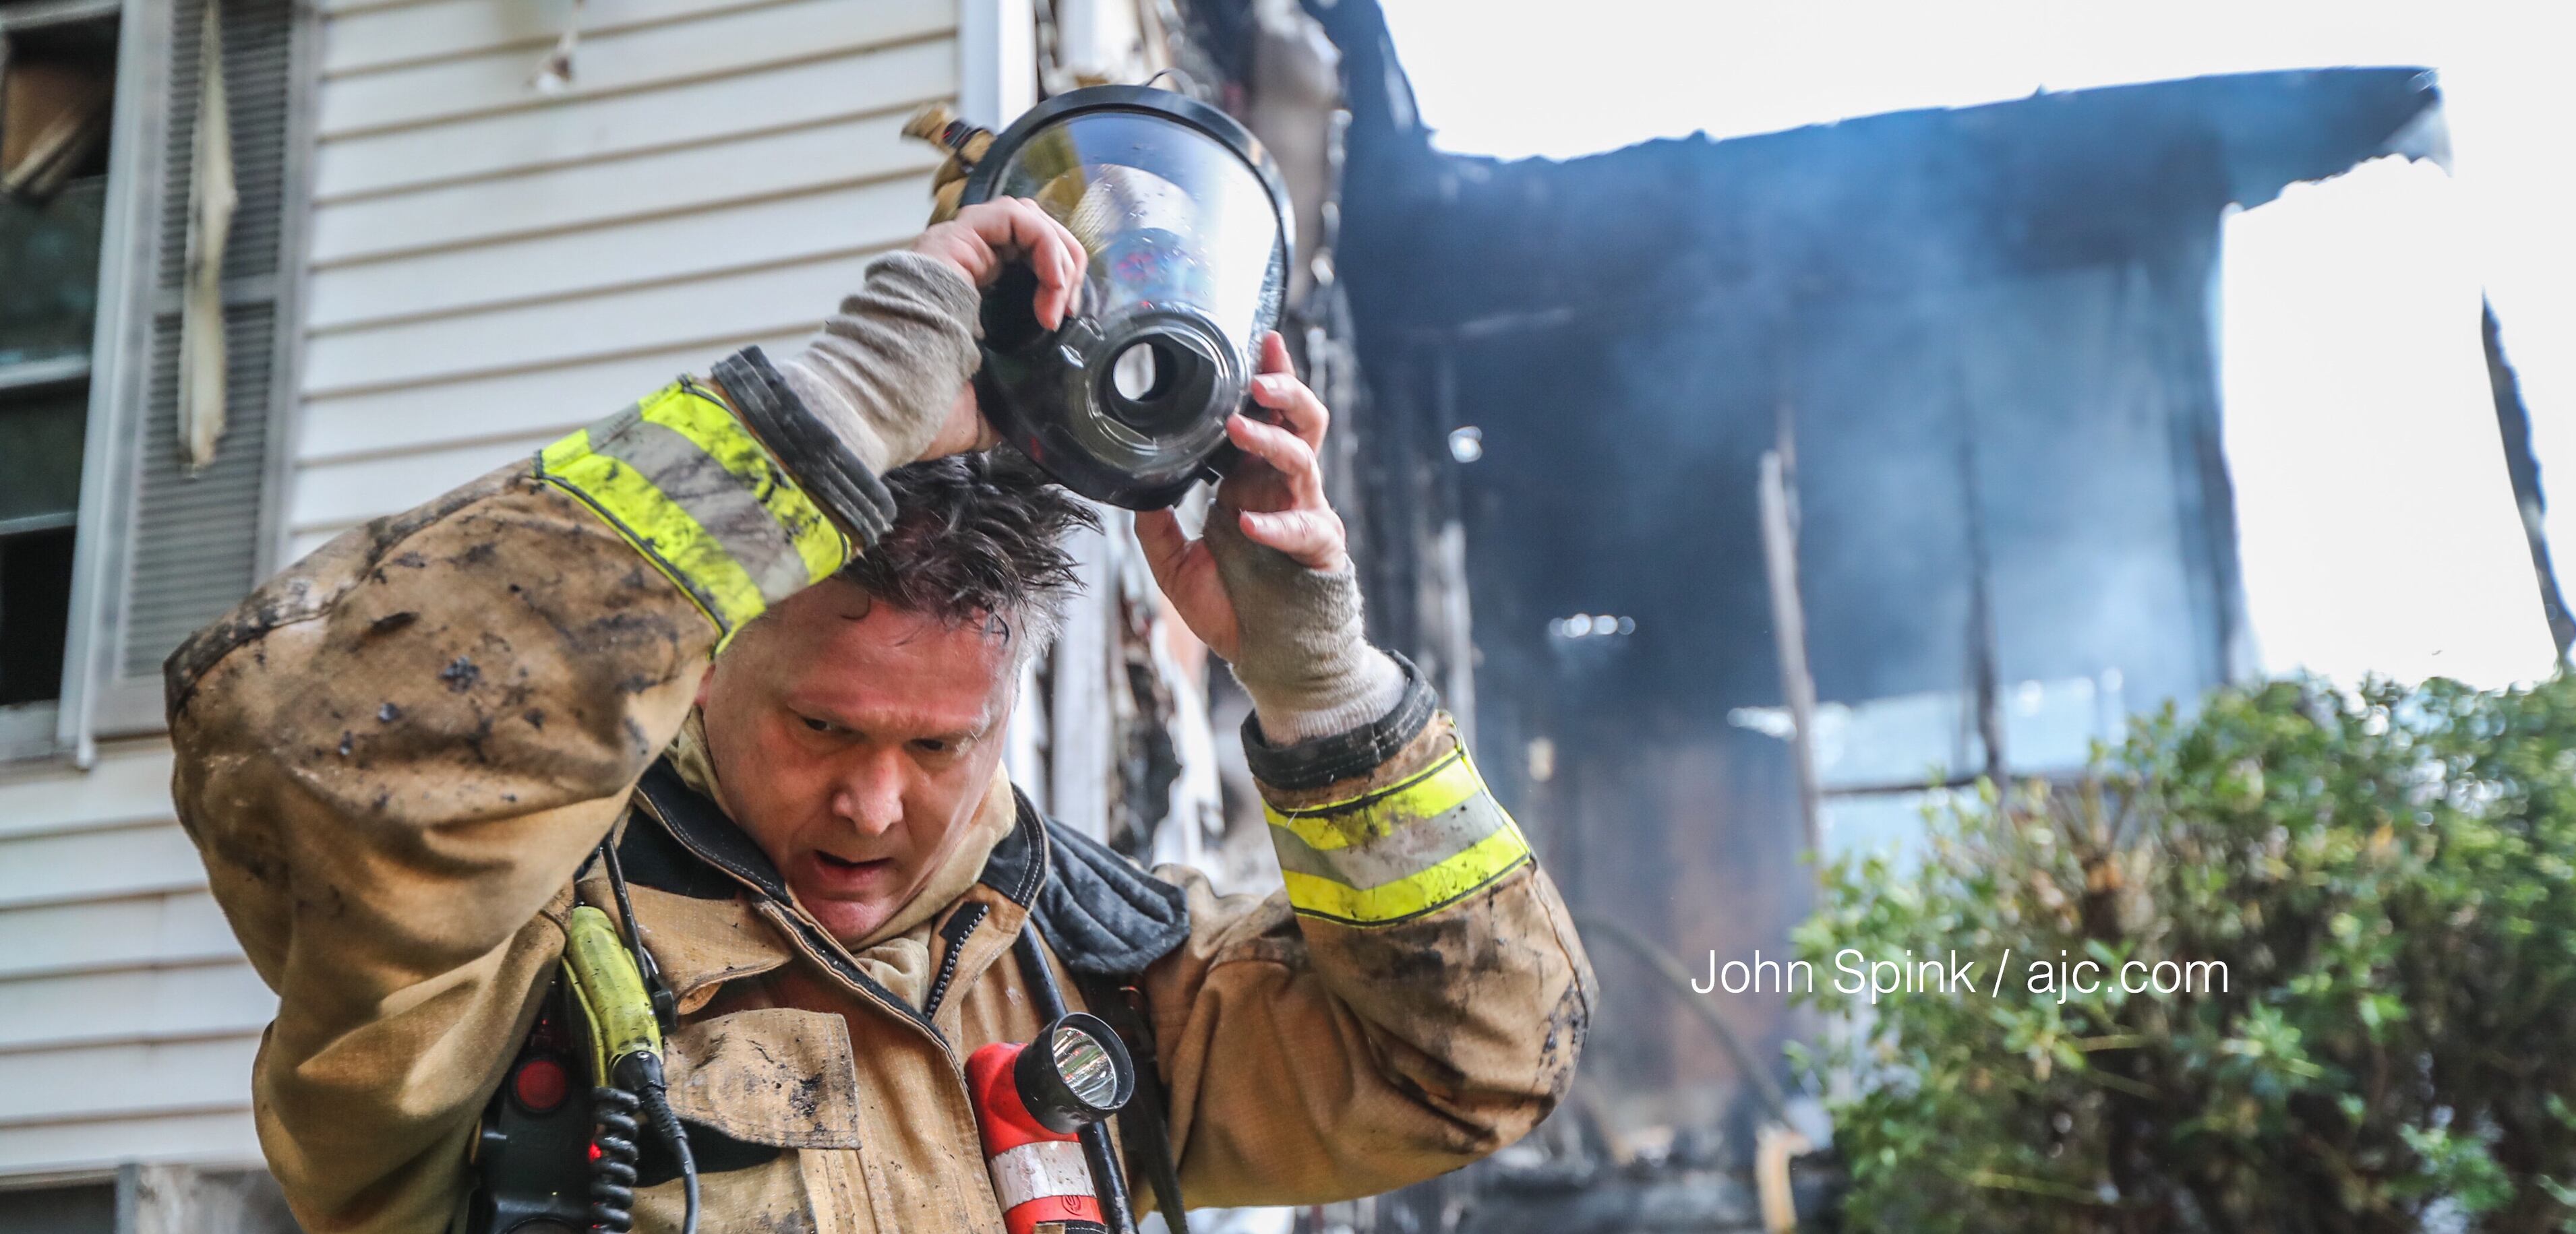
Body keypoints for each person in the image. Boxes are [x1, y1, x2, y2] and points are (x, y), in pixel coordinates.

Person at [167, 198, 1594, 1234]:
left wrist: (1323, 688)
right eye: (823, 730)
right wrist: (822, 416)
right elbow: (322, 762)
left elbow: (1472, 1062)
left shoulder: (1092, 974)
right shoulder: (493, 940)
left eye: (937, 744)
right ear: (703, 659)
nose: (874, 806)